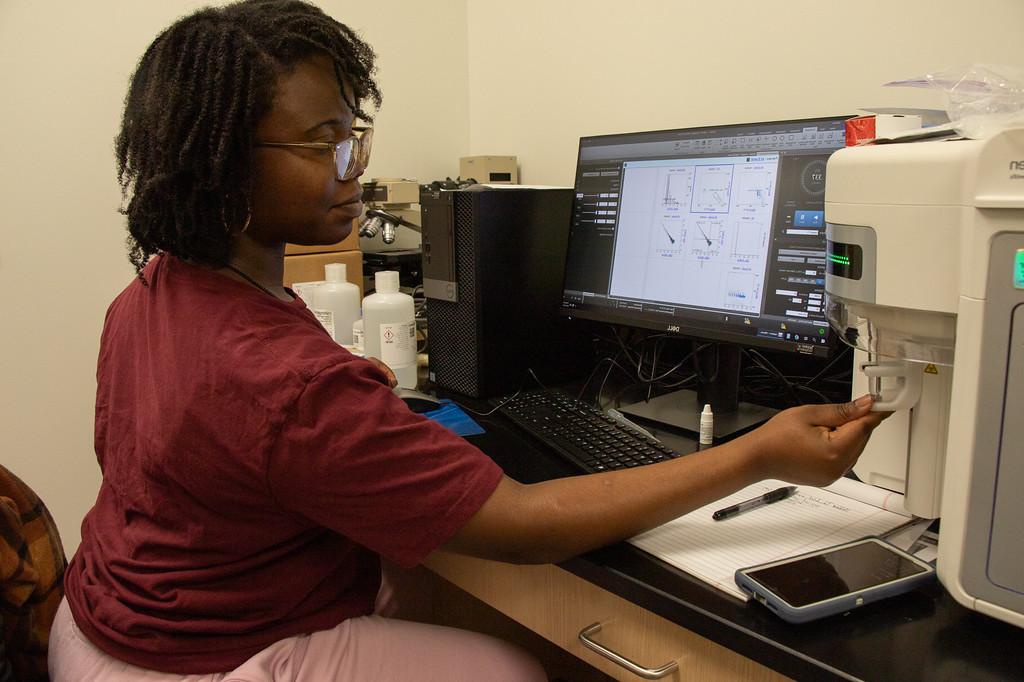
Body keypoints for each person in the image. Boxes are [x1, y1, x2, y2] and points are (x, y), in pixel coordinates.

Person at [50, 1, 888, 680]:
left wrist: (332, 404)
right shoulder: (289, 385)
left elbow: (213, 427)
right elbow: (525, 523)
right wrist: (758, 456)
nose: (352, 166)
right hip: (199, 662)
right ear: (223, 160)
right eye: (322, 143)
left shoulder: (160, 287)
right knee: (507, 669)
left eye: (354, 133)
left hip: (97, 618)